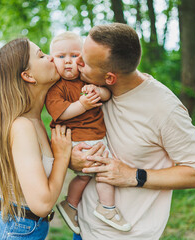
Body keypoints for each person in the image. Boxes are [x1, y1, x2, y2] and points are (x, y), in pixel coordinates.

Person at [69, 23, 195, 239]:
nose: (77, 62)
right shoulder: (93, 91)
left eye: (85, 62)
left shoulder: (165, 109)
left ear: (110, 78)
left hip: (128, 234)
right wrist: (73, 160)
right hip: (84, 228)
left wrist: (134, 176)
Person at [0, 38, 74, 240]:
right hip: (11, 233)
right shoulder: (22, 126)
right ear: (28, 75)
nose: (52, 58)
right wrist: (61, 157)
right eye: (42, 55)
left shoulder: (34, 120)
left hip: (20, 229)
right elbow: (42, 204)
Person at [45, 32, 131, 234]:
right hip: (79, 140)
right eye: (61, 56)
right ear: (52, 60)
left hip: (94, 137)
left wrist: (98, 92)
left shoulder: (86, 80)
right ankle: (107, 208)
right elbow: (62, 113)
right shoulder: (55, 88)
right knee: (104, 170)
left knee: (84, 177)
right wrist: (82, 105)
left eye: (74, 56)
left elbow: (107, 94)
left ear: (82, 59)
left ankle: (70, 204)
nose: (68, 61)